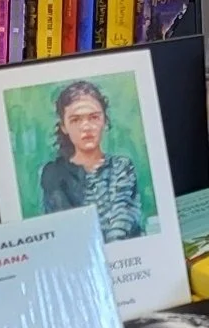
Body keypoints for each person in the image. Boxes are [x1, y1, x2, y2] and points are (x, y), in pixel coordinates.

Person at [34, 79, 145, 241]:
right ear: (64, 126)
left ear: (105, 121)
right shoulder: (53, 173)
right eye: (76, 120)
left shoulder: (121, 167)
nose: (86, 127)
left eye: (93, 117)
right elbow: (65, 228)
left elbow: (123, 220)